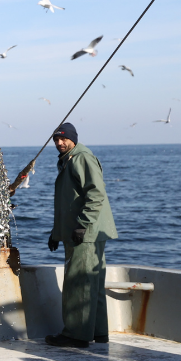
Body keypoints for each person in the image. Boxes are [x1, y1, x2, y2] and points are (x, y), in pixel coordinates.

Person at [46, 123, 118, 348]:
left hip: (85, 233)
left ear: (73, 139)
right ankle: (98, 332)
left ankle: (76, 335)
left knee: (78, 283)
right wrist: (56, 234)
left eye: (63, 139)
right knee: (93, 285)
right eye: (56, 139)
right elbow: (69, 202)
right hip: (88, 232)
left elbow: (96, 193)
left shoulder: (81, 158)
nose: (59, 143)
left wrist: (82, 225)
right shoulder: (70, 159)